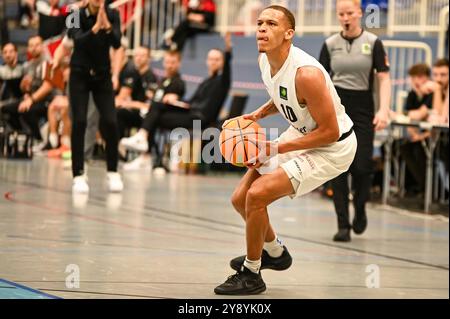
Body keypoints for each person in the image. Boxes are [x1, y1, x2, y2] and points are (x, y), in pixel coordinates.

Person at [214, 6, 356, 295]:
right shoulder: (265, 61)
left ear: (289, 34)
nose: (262, 28)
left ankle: (252, 274)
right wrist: (260, 114)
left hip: (333, 148)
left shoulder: (308, 74)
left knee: (257, 195)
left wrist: (276, 146)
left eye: (271, 23)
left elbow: (329, 132)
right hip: (303, 134)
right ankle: (276, 254)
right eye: (260, 23)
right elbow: (281, 94)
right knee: (240, 198)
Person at [319, 0, 391, 242]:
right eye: (341, 14)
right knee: (338, 168)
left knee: (361, 167)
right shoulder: (330, 44)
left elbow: (384, 78)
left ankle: (360, 209)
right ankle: (343, 225)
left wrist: (384, 110)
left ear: (360, 13)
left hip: (363, 109)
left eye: (350, 13)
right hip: (337, 109)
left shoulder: (373, 43)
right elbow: (320, 81)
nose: (346, 17)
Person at [121, 33, 232, 171]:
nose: (213, 62)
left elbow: (227, 72)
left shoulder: (222, 82)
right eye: (211, 59)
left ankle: (145, 149)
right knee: (157, 106)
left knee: (154, 113)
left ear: (222, 62)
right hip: (190, 112)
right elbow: (191, 102)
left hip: (200, 119)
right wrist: (177, 101)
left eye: (217, 59)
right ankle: (145, 149)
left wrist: (228, 50)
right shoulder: (206, 81)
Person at [67, 0, 123, 193]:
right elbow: (76, 39)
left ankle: (113, 172)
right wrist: (95, 28)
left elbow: (117, 43)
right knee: (80, 121)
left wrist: (107, 27)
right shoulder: (74, 12)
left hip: (102, 75)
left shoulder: (113, 14)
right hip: (79, 74)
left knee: (111, 121)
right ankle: (78, 174)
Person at [1, 36, 53, 152]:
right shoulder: (28, 66)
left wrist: (31, 99)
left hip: (48, 100)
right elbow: (26, 89)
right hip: (33, 99)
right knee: (6, 108)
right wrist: (24, 88)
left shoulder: (48, 62)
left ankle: (39, 139)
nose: (34, 48)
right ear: (28, 48)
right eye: (31, 45)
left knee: (27, 109)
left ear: (42, 46)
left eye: (37, 45)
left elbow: (47, 87)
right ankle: (21, 135)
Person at [398, 64, 434, 196]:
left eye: (419, 77)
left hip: (431, 136)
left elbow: (417, 115)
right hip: (419, 135)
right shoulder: (412, 94)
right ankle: (410, 187)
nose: (416, 81)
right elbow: (409, 121)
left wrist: (421, 136)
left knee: (420, 151)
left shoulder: (433, 94)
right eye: (413, 77)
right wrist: (414, 134)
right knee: (401, 147)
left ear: (427, 78)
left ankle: (427, 189)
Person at [115, 46, 158, 140]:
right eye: (136, 55)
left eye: (142, 55)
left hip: (143, 116)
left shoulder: (151, 78)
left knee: (119, 113)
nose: (138, 58)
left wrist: (129, 103)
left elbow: (150, 106)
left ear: (149, 58)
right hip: (130, 110)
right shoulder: (131, 73)